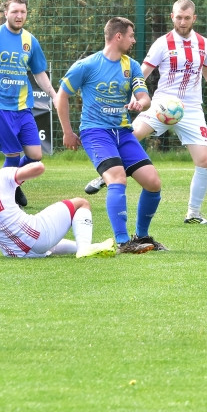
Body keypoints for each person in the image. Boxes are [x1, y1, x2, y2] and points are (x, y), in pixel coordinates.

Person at [84, 0, 207, 224]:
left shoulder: (204, 44)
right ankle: (105, 176)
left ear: (194, 18)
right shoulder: (162, 43)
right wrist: (132, 97)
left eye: (187, 18)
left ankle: (193, 213)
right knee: (130, 135)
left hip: (191, 109)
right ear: (171, 16)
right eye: (178, 17)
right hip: (163, 104)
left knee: (204, 161)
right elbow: (141, 72)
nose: (182, 22)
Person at [56, 16, 164, 254]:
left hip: (123, 132)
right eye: (131, 36)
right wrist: (67, 132)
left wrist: (140, 104)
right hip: (95, 132)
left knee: (153, 182)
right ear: (118, 37)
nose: (133, 40)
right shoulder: (87, 65)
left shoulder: (132, 65)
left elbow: (144, 97)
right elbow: (61, 96)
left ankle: (142, 236)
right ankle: (124, 242)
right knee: (117, 178)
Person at [0, 143, 117, 258]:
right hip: (36, 236)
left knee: (47, 243)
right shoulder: (2, 175)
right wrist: (18, 175)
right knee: (80, 203)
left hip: (15, 254)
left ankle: (88, 248)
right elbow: (39, 167)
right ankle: (84, 248)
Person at [0, 0, 57, 208]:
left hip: (23, 107)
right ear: (5, 13)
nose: (19, 16)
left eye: (23, 12)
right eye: (15, 11)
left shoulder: (30, 41)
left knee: (35, 156)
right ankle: (8, 198)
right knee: (13, 154)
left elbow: (39, 72)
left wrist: (55, 95)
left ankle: (9, 185)